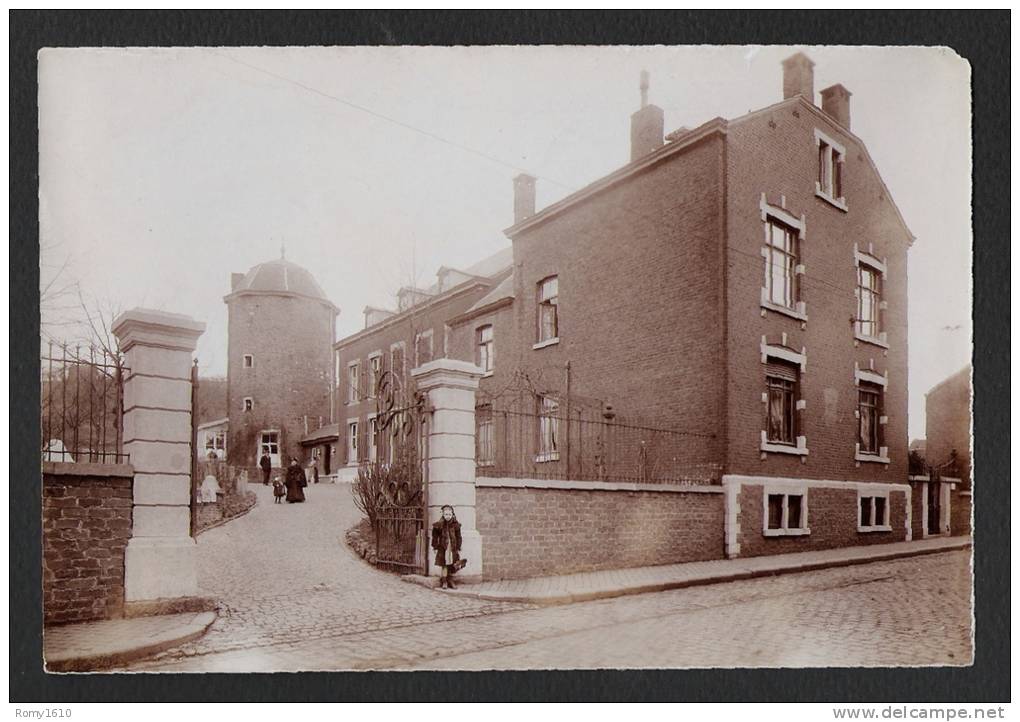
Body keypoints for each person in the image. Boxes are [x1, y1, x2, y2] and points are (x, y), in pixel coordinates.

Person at [431, 505, 463, 589]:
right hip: (443, 548)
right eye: (446, 515)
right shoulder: (439, 525)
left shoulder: (456, 525)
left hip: (452, 547)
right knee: (444, 564)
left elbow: (459, 536)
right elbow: (435, 537)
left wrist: (459, 547)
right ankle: (444, 581)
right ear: (443, 515)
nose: (448, 516)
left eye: (449, 514)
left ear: (452, 514)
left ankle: (450, 580)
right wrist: (435, 546)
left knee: (452, 564)